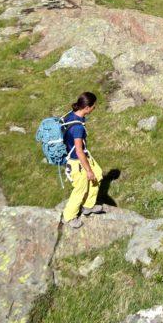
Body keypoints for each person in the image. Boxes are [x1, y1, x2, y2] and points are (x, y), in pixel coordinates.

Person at [61, 91, 105, 229]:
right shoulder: (78, 128)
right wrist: (88, 170)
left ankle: (88, 206)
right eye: (93, 106)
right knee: (80, 189)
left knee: (97, 173)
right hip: (77, 161)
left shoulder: (71, 115)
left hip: (80, 156)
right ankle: (68, 217)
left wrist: (92, 171)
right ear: (86, 108)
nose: (94, 108)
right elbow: (79, 151)